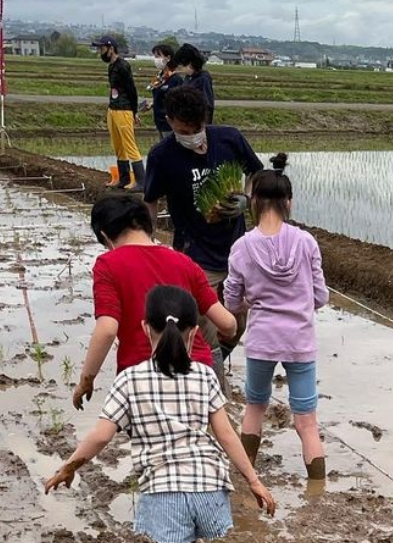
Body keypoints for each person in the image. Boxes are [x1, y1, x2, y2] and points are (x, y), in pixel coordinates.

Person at [46, 286, 276, 543]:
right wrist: (255, 481)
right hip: (208, 488)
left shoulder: (130, 380)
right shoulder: (203, 375)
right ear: (195, 333)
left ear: (143, 329)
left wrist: (69, 466)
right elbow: (227, 435)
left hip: (164, 492)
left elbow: (102, 436)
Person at [71, 195, 237, 411]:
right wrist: (230, 333)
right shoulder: (184, 262)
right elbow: (227, 323)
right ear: (148, 226)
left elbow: (107, 330)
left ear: (105, 235)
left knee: (150, 442)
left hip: (143, 376)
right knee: (195, 439)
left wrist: (87, 379)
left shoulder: (108, 265)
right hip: (197, 373)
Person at [144, 86, 262, 386]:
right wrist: (148, 244)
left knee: (237, 325)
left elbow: (257, 174)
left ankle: (210, 365)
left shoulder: (230, 139)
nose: (194, 136)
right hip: (195, 257)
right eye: (186, 130)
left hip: (237, 253)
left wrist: (247, 199)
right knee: (204, 332)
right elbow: (151, 201)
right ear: (170, 121)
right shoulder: (162, 156)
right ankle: (215, 396)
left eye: (198, 128)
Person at [223, 153, 329, 480]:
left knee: (255, 408)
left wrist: (246, 304)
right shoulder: (306, 241)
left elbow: (231, 299)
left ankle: (246, 480)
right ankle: (317, 491)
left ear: (253, 201)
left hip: (262, 341)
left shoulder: (242, 246)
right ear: (289, 203)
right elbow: (320, 296)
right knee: (307, 422)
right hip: (300, 341)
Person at [90, 35, 144, 192]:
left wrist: (134, 112)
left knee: (129, 144)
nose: (100, 51)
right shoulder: (111, 66)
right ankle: (123, 178)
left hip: (124, 109)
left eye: (102, 48)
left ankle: (141, 180)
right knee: (118, 145)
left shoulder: (123, 66)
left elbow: (131, 90)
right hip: (113, 109)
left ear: (111, 48)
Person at [142, 44, 184, 139]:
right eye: (155, 56)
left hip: (169, 123)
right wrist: (152, 104)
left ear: (168, 58)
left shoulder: (175, 79)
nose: (156, 59)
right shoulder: (159, 78)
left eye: (158, 56)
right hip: (159, 121)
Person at [170, 44, 215, 124]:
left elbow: (208, 106)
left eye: (182, 65)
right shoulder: (188, 77)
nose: (180, 68)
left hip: (197, 124)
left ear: (190, 63)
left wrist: (204, 127)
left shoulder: (203, 79)